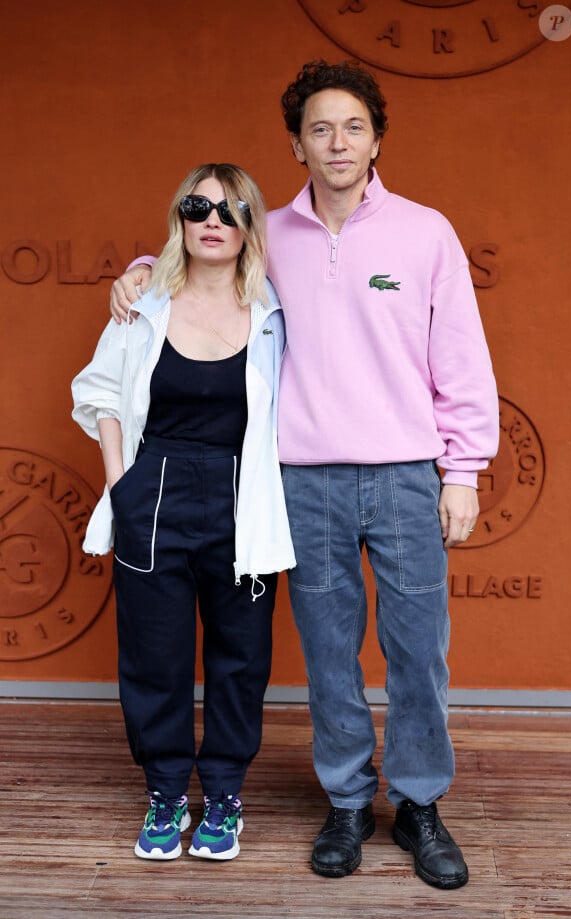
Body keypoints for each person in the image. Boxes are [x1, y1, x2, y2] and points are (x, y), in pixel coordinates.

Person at [109, 61, 499, 889]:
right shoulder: (270, 236)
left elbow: (461, 357)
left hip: (404, 473)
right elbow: (202, 255)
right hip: (303, 480)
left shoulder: (426, 233)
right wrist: (143, 266)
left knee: (418, 652)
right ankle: (350, 802)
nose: (338, 142)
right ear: (297, 143)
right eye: (320, 128)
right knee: (328, 655)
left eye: (353, 127)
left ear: (377, 139)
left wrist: (461, 470)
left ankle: (420, 803)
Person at [72, 163, 295, 863]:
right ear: (180, 216)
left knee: (241, 657)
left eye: (231, 210)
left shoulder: (274, 313)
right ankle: (166, 791)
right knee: (154, 655)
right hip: (156, 493)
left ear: (250, 226)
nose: (213, 220)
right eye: (199, 205)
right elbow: (101, 392)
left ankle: (224, 792)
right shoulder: (144, 306)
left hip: (242, 498)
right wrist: (121, 486)